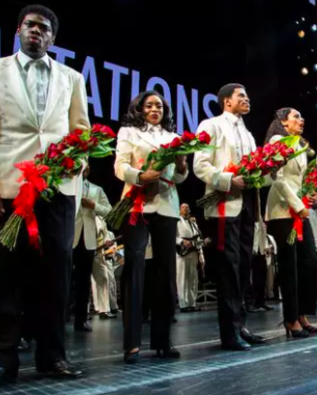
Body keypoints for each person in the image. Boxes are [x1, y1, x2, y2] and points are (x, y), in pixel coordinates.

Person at [0, 5, 89, 390]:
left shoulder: (71, 77)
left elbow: (81, 131)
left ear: (52, 38)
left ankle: (52, 356)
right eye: (31, 25)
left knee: (56, 276)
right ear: (19, 30)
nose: (38, 31)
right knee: (5, 277)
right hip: (8, 189)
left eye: (45, 28)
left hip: (57, 189)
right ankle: (1, 361)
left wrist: (77, 162)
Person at [194, 83, 269, 351]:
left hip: (248, 204)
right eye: (241, 96)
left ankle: (241, 325)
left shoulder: (248, 134)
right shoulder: (210, 125)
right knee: (228, 268)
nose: (247, 99)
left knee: (244, 266)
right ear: (227, 101)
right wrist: (228, 179)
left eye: (247, 96)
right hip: (224, 203)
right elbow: (200, 165)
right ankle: (229, 332)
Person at [114, 90, 187, 363]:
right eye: (149, 105)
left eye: (159, 105)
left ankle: (162, 340)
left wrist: (181, 165)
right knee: (134, 268)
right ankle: (132, 343)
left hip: (167, 205)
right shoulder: (128, 132)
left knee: (165, 271)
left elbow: (180, 177)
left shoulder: (173, 138)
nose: (155, 108)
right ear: (140, 109)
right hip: (136, 203)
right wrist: (141, 176)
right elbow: (120, 166)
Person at [265, 108, 317, 338]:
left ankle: (301, 314)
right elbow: (275, 177)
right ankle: (290, 318)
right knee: (290, 266)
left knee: (309, 261)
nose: (301, 119)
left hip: (300, 208)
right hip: (282, 210)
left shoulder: (300, 145)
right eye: (296, 116)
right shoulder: (278, 140)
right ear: (283, 123)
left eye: (301, 116)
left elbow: (301, 179)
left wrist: (311, 195)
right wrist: (297, 203)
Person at [72, 165, 113, 331]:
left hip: (88, 239)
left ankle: (81, 320)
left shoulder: (97, 190)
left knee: (83, 281)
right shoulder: (66, 186)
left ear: (87, 170)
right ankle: (58, 320)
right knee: (64, 280)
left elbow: (110, 212)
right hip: (69, 237)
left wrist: (93, 205)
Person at [176, 203, 207, 312]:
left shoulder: (194, 223)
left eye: (187, 207)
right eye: (183, 207)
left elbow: (198, 239)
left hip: (194, 253)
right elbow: (173, 237)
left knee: (193, 279)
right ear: (179, 210)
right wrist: (181, 241)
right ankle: (183, 304)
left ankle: (192, 303)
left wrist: (201, 255)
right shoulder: (177, 221)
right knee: (182, 279)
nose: (186, 209)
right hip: (182, 254)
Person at [91, 216, 119, 319]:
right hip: (86, 249)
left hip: (99, 253)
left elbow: (104, 235)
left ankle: (104, 311)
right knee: (85, 281)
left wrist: (106, 243)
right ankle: (86, 312)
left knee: (103, 278)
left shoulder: (101, 218)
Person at [251, 222, 275, 311]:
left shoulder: (260, 222)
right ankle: (251, 303)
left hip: (261, 251)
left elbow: (263, 236)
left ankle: (261, 302)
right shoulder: (250, 221)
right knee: (253, 279)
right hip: (252, 251)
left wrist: (266, 247)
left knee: (262, 277)